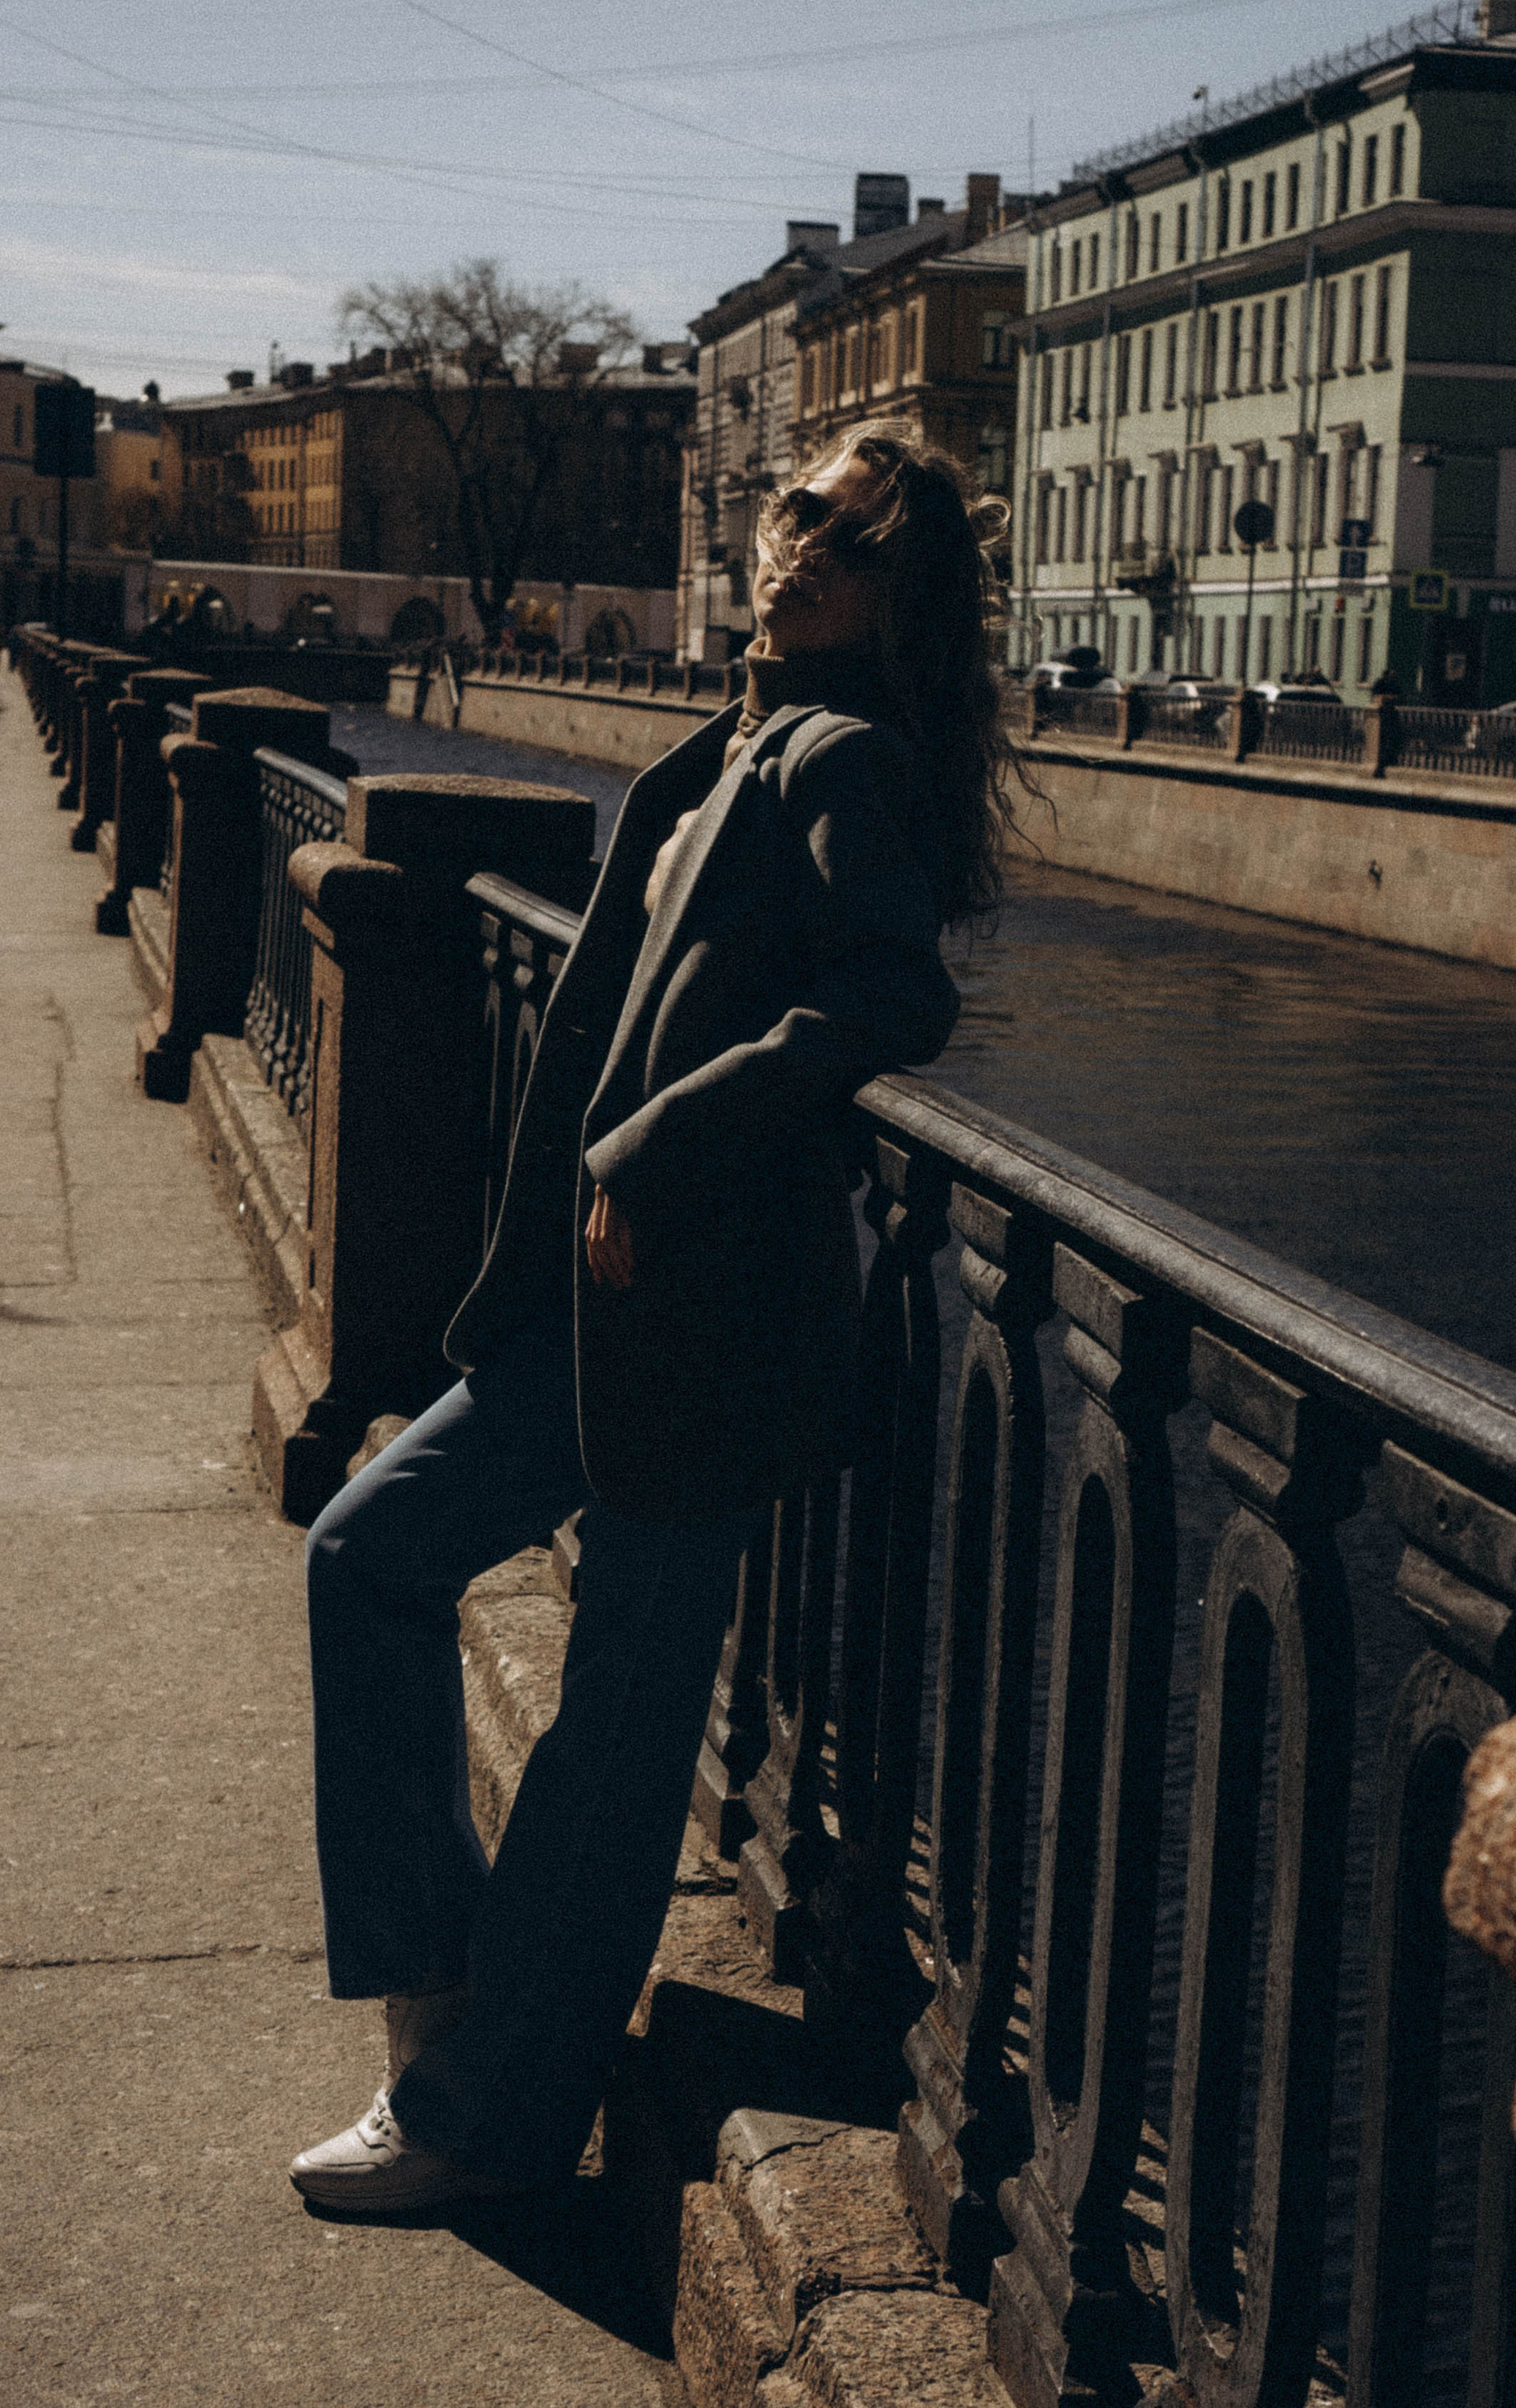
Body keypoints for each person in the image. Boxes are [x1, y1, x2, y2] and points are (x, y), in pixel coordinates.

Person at [288, 429, 1018, 2211]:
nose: (800, 553)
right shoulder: (744, 741)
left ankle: (492, 2118)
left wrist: (651, 1145)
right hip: (600, 1304)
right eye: (793, 516)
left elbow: (892, 992)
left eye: (848, 545)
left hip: (699, 1310)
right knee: (372, 1554)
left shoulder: (838, 753)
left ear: (893, 599)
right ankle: (449, 2005)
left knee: (617, 1726)